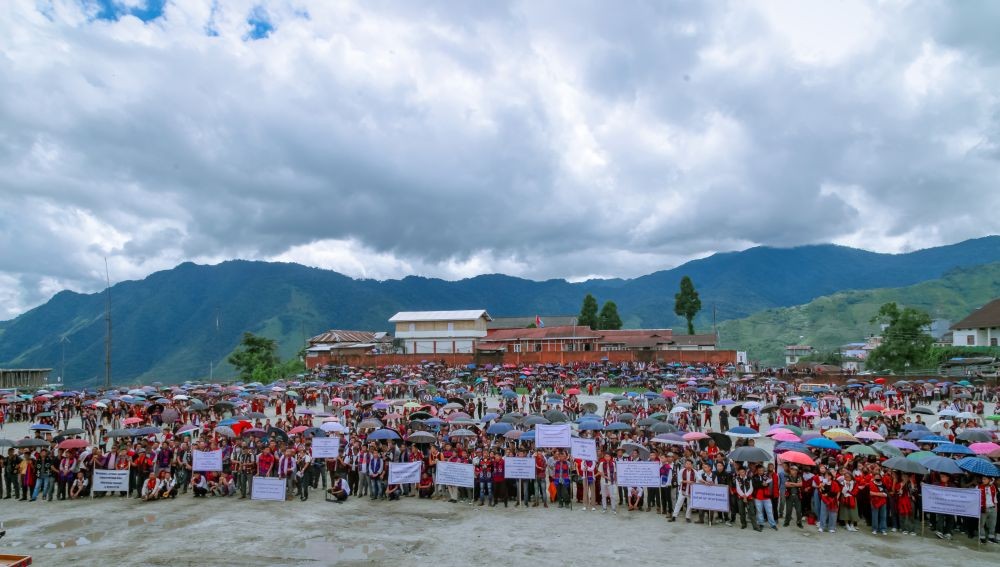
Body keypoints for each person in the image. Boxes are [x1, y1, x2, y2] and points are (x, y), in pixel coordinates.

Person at [753, 464, 778, 531]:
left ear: (764, 470)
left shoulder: (767, 476)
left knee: (769, 511)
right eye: (759, 470)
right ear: (757, 471)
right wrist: (762, 484)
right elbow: (755, 485)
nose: (761, 471)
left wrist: (764, 484)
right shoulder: (754, 477)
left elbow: (768, 484)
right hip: (758, 497)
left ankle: (773, 524)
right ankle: (761, 523)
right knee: (759, 511)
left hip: (766, 496)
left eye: (762, 470)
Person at [734, 466, 759, 531]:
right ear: (738, 472)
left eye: (743, 472)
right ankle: (743, 524)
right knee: (741, 511)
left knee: (752, 511)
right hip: (740, 497)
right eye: (740, 472)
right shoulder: (737, 479)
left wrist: (746, 495)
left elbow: (751, 488)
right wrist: (743, 496)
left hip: (749, 496)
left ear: (745, 472)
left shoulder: (749, 478)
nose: (742, 473)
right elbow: (738, 489)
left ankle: (755, 526)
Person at [979, 476, 998, 544]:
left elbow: (995, 497)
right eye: (982, 479)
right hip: (983, 508)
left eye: (984, 479)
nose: (983, 480)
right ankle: (982, 537)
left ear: (989, 480)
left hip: (993, 507)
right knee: (982, 524)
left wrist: (996, 507)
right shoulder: (979, 487)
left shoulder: (993, 487)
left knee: (993, 524)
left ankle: (991, 537)